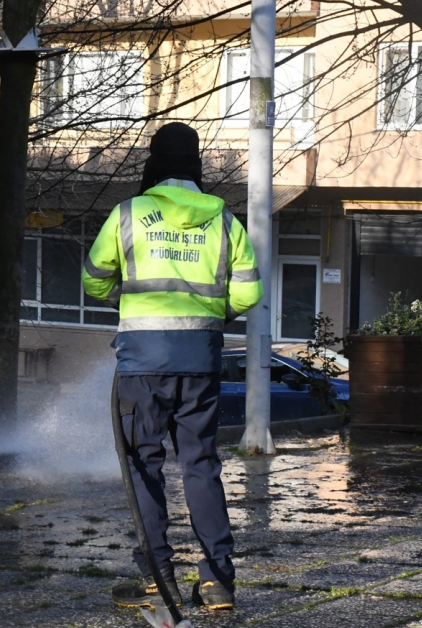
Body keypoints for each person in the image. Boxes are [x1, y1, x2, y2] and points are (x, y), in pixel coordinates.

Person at [82, 122, 262, 612]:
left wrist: (131, 300)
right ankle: (217, 582)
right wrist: (213, 311)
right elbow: (248, 293)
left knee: (144, 465)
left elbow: (94, 282)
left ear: (154, 162)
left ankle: (157, 575)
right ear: (196, 164)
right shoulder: (224, 220)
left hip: (141, 363)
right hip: (200, 361)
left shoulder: (127, 215)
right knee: (201, 465)